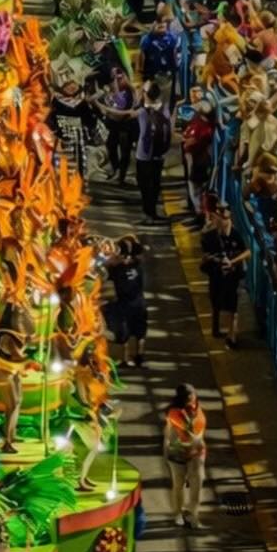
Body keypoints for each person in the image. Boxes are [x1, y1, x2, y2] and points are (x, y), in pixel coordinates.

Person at [200, 202, 250, 347]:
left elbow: (247, 251)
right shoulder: (210, 236)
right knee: (215, 301)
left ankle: (232, 336)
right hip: (216, 274)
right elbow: (205, 255)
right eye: (220, 218)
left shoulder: (235, 234)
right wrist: (213, 259)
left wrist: (233, 261)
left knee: (232, 307)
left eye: (225, 219)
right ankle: (216, 329)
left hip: (232, 275)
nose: (223, 221)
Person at [163, 384, 207, 528]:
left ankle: (193, 515)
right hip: (178, 453)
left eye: (193, 394)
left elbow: (201, 427)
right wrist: (198, 440)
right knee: (179, 485)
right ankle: (178, 513)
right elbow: (189, 434)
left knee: (197, 485)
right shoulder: (174, 413)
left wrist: (199, 441)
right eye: (189, 396)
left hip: (197, 453)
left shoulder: (197, 407)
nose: (192, 398)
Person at [104, 235, 148, 367]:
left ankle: (125, 359)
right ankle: (140, 356)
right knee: (140, 330)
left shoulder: (116, 269)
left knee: (125, 331)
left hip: (124, 304)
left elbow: (106, 268)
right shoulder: (138, 265)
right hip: (139, 302)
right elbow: (137, 245)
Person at [135, 82, 171, 221]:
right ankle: (153, 212)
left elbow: (143, 133)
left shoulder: (142, 111)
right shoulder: (164, 108)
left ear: (145, 94)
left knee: (144, 184)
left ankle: (148, 213)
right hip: (159, 154)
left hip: (143, 155)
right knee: (155, 184)